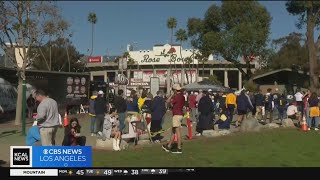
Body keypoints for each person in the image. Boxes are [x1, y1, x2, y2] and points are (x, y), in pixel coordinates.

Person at [162, 84, 185, 154]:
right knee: (173, 131)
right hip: (180, 114)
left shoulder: (176, 97)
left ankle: (179, 148)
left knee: (177, 131)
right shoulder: (182, 97)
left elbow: (168, 102)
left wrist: (172, 95)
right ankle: (169, 145)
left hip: (176, 115)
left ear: (175, 90)